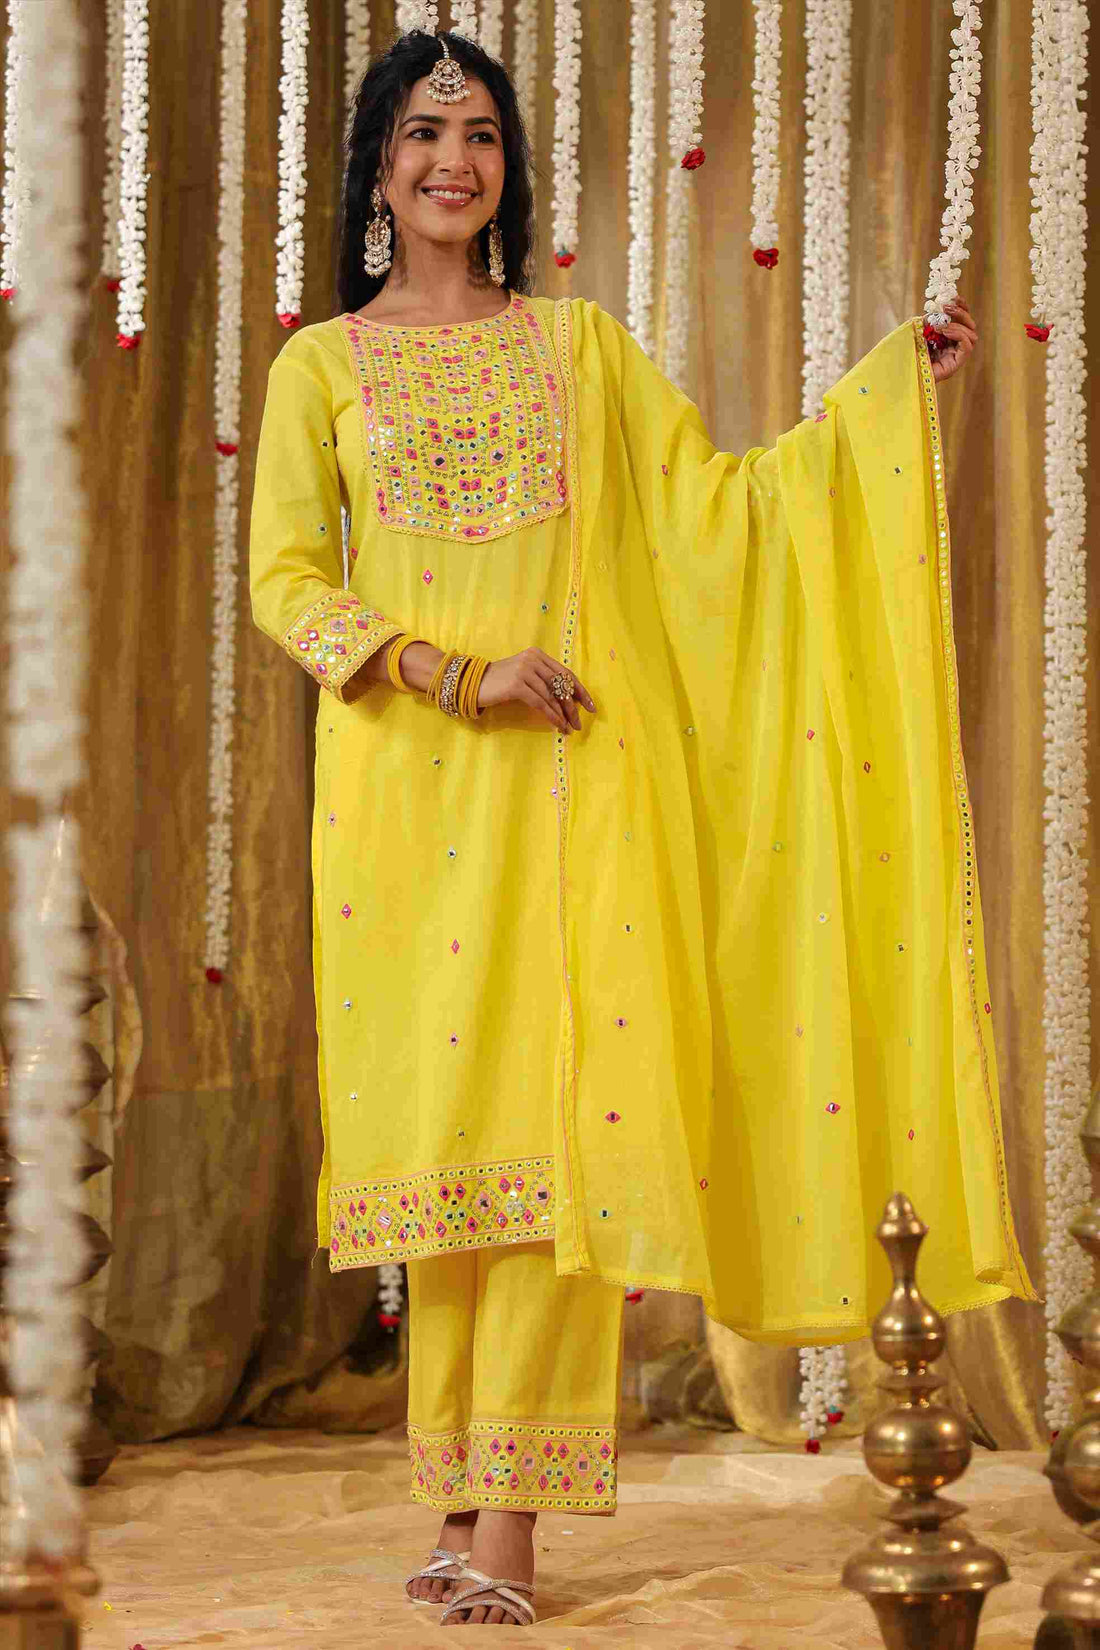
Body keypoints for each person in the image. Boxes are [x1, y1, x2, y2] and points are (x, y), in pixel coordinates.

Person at [249, 26, 1032, 1629]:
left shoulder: (581, 351)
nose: (454, 160)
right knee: (453, 1169)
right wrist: (449, 670)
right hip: (403, 802)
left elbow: (719, 512)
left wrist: (885, 398)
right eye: (423, 135)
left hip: (573, 793)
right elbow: (284, 582)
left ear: (509, 167)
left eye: (481, 133)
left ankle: (512, 1528)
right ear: (377, 170)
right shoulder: (320, 366)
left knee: (556, 1156)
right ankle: (455, 1494)